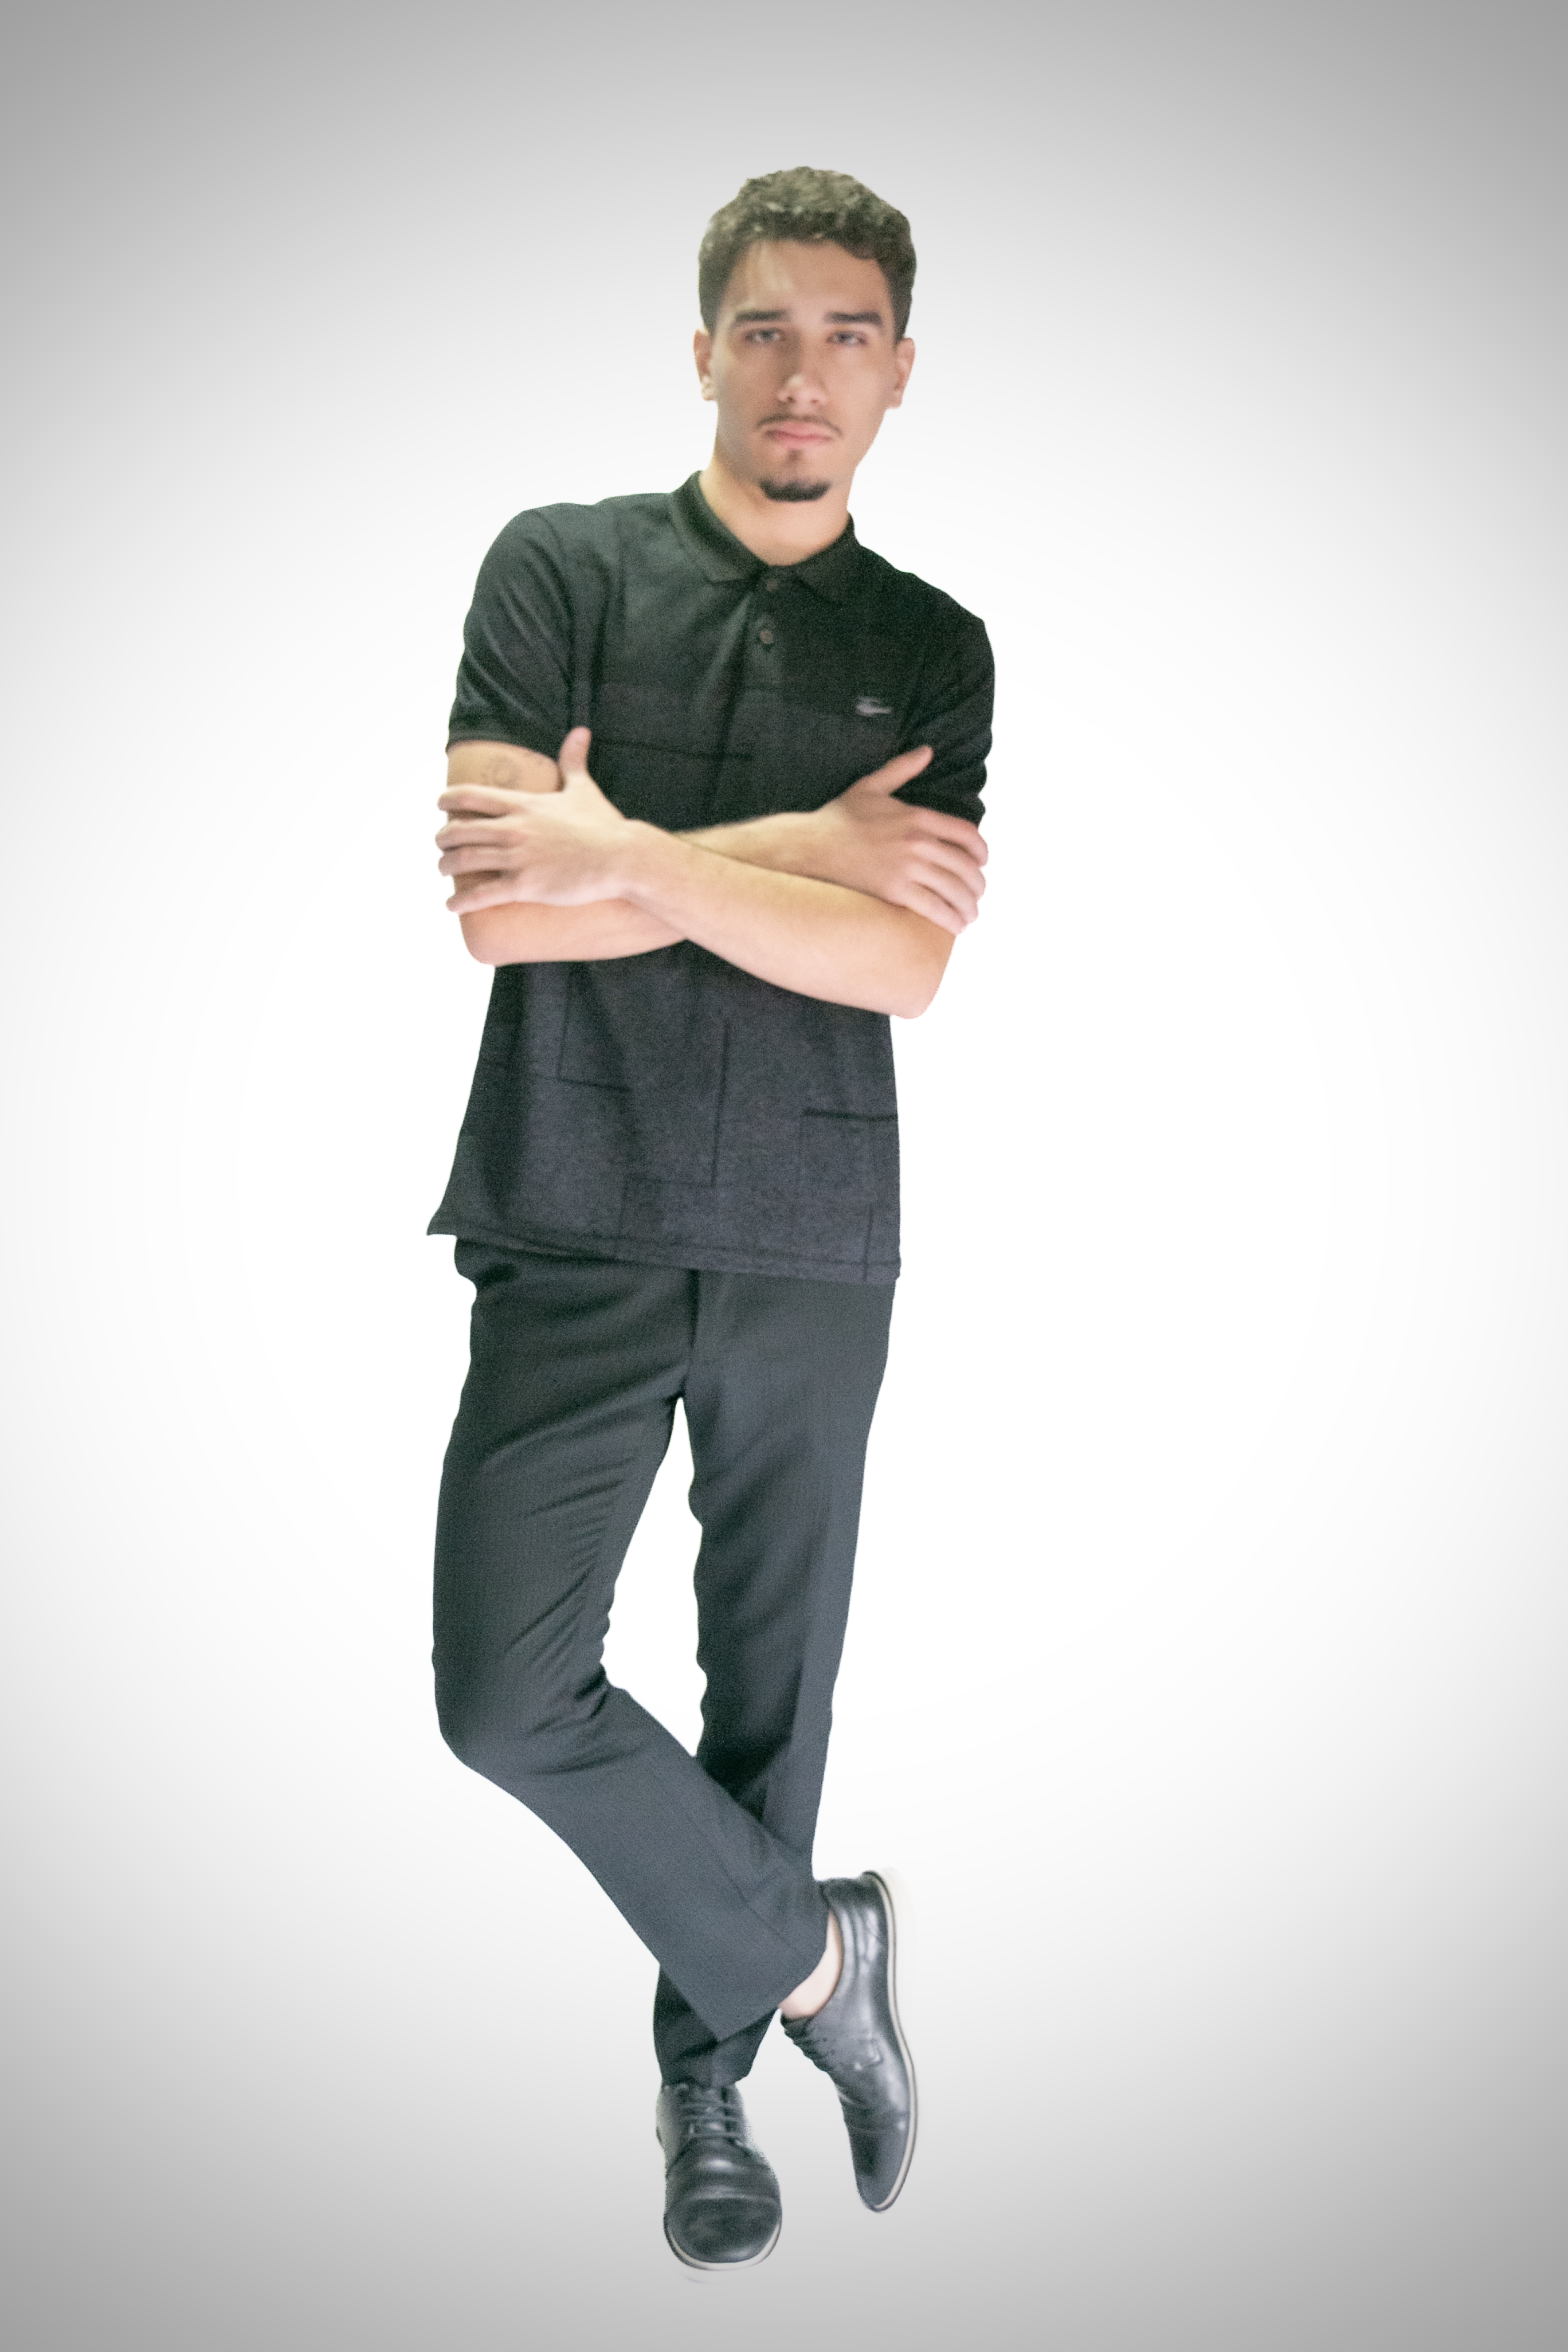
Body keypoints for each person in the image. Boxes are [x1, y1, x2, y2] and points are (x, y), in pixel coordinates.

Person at [428, 166, 993, 2268]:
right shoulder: (559, 569)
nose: (801, 374)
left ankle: (707, 2091)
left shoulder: (932, 646)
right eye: (765, 330)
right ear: (702, 354)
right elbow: (504, 908)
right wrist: (794, 854)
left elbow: (902, 963)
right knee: (506, 1696)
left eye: (847, 336)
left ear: (901, 372)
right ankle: (822, 1958)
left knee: (773, 1695)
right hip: (569, 1208)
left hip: (808, 1230)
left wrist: (635, 857)